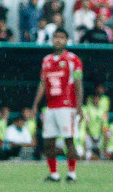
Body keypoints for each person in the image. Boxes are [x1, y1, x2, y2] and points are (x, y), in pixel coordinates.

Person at [31, 28, 82, 183]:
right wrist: (35, 104)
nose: (58, 40)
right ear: (52, 39)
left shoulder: (73, 60)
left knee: (68, 140)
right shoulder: (46, 60)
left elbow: (79, 83)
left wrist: (79, 105)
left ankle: (72, 174)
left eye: (61, 37)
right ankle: (54, 174)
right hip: (51, 107)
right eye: (56, 37)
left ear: (66, 40)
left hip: (67, 106)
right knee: (48, 141)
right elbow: (43, 84)